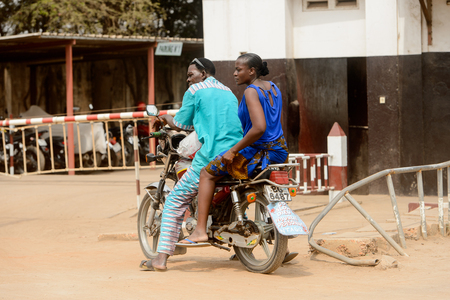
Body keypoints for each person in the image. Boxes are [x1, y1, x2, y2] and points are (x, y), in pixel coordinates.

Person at [180, 53, 298, 263]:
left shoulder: (251, 92)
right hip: (279, 151)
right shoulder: (273, 87)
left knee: (208, 173)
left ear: (251, 71)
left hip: (257, 152)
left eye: (239, 69)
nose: (234, 74)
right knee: (243, 184)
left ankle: (199, 230)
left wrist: (233, 150)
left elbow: (259, 128)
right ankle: (276, 242)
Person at [139, 58, 243, 271]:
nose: (188, 79)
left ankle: (160, 259)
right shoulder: (229, 92)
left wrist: (166, 117)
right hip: (237, 153)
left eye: (191, 74)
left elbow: (182, 124)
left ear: (203, 73)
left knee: (175, 200)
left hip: (212, 154)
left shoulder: (195, 91)